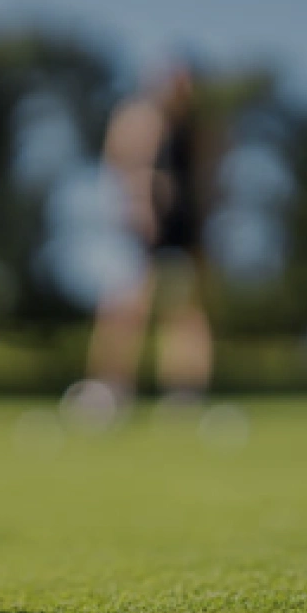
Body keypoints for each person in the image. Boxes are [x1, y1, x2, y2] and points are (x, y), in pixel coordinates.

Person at [64, 61, 217, 424]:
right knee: (124, 310)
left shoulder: (195, 126)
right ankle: (108, 391)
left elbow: (205, 181)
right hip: (137, 233)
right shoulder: (137, 116)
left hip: (179, 233)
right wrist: (139, 209)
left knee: (184, 315)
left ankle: (184, 397)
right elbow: (124, 168)